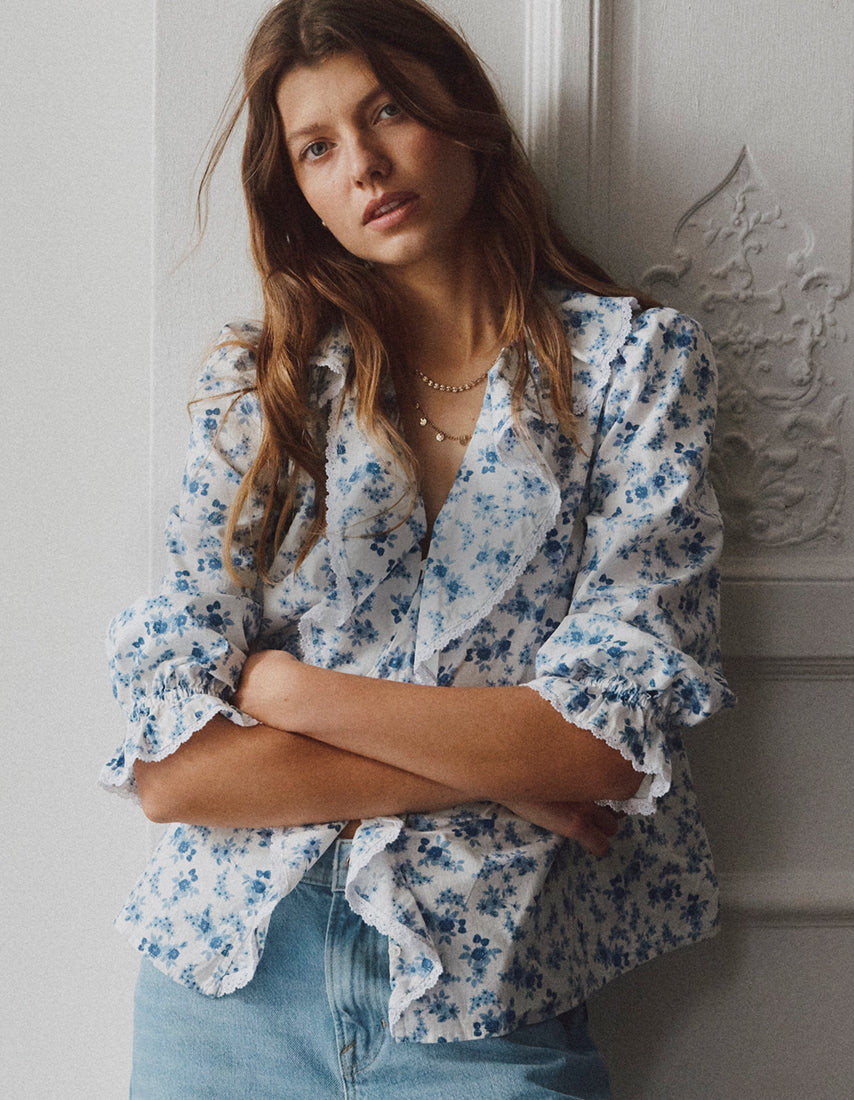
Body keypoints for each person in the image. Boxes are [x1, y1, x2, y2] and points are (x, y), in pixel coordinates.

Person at [103, 1, 735, 1095]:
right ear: (294, 189)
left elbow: (596, 751)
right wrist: (489, 769)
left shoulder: (635, 366)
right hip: (231, 985)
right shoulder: (262, 392)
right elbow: (174, 774)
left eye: (386, 110)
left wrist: (282, 687)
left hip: (484, 995)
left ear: (461, 114)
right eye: (316, 146)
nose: (363, 163)